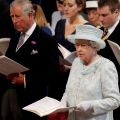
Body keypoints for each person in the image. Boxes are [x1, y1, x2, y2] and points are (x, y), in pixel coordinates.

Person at [0, 0, 59, 120]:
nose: (14, 20)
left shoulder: (46, 40)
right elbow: (8, 61)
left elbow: (53, 74)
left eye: (18, 16)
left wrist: (26, 79)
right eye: (12, 16)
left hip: (35, 103)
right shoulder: (16, 37)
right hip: (13, 99)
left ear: (31, 15)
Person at [60, 24, 120, 120]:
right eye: (77, 45)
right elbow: (68, 91)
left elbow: (114, 101)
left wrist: (91, 105)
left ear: (95, 47)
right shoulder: (76, 62)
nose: (79, 49)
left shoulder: (106, 66)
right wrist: (63, 103)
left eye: (83, 45)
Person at [97, 0, 120, 119]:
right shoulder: (99, 31)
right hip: (100, 89)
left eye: (104, 15)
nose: (100, 19)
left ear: (116, 12)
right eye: (99, 14)